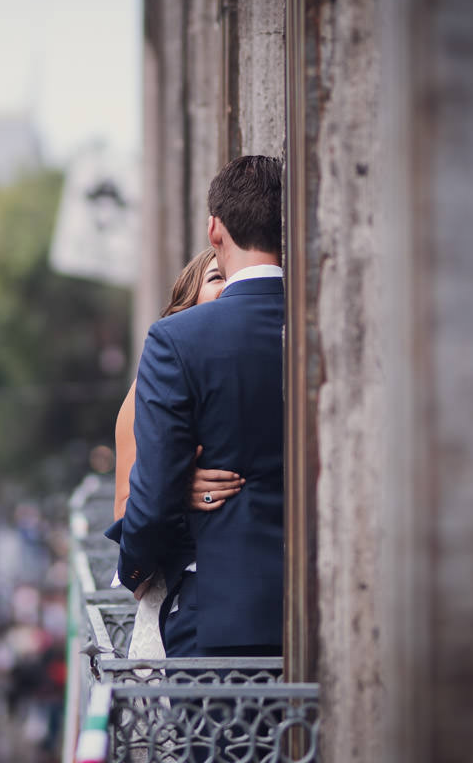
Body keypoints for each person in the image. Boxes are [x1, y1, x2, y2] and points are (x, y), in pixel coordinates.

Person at [114, 155, 286, 658]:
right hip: (334, 606)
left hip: (223, 621)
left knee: (219, 742)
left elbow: (150, 492)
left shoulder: (177, 339)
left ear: (215, 229)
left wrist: (135, 569)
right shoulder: (332, 322)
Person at [109, 248, 246, 659]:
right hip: (182, 597)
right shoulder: (149, 392)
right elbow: (125, 510)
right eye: (216, 278)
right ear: (188, 302)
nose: (228, 288)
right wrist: (175, 490)